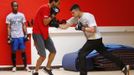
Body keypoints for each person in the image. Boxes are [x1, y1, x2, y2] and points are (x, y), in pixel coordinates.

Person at [59, 4, 130, 75]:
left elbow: (93, 30)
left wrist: (82, 28)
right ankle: (124, 67)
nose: (72, 14)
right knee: (106, 54)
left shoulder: (88, 16)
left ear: (77, 10)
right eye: (71, 13)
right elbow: (65, 26)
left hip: (94, 39)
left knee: (81, 54)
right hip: (94, 40)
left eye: (73, 12)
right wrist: (54, 24)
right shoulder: (75, 18)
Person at [32, 0, 60, 75]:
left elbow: (48, 22)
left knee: (53, 51)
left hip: (44, 33)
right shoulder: (45, 8)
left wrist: (56, 23)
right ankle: (35, 71)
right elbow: (45, 22)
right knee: (43, 56)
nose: (58, 5)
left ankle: (47, 68)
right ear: (53, 2)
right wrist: (52, 15)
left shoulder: (50, 10)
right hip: (38, 33)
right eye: (58, 3)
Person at [6, 1, 30, 72]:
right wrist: (8, 36)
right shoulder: (9, 16)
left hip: (21, 36)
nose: (15, 7)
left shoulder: (22, 15)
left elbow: (24, 25)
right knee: (14, 51)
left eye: (16, 6)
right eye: (14, 6)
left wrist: (26, 34)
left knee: (23, 50)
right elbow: (8, 27)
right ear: (12, 6)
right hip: (13, 36)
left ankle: (25, 66)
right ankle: (14, 66)